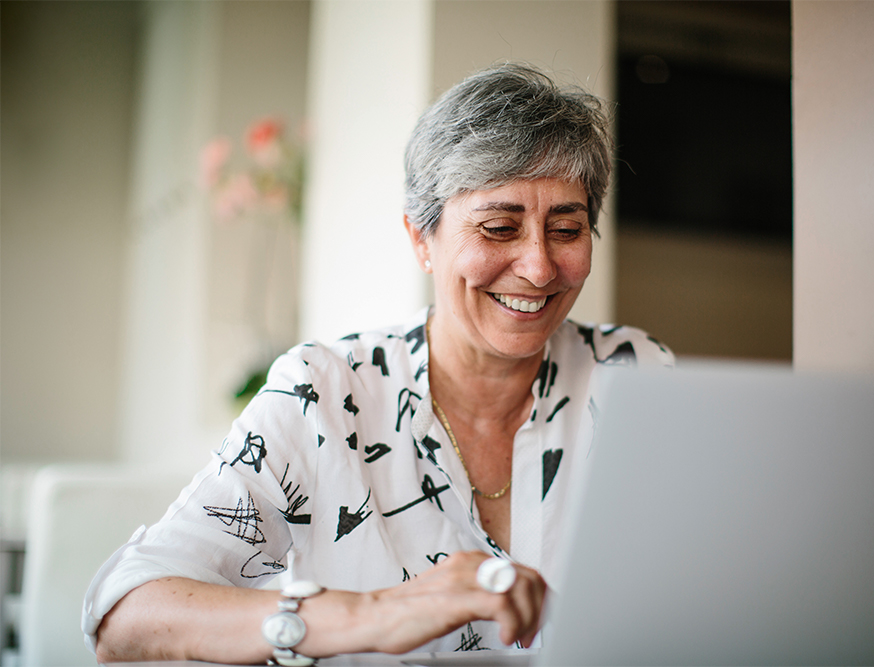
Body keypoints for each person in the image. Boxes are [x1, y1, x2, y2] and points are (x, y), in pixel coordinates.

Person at [84, 63, 674, 664]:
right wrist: (372, 613)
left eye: (567, 229)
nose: (540, 267)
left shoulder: (636, 374)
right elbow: (126, 618)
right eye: (500, 228)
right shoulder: (322, 393)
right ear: (421, 238)